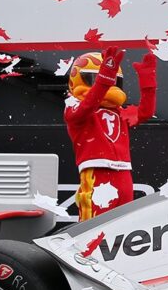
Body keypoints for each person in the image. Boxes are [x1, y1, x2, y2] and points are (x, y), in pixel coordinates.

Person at [65, 46, 156, 221]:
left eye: (115, 81)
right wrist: (104, 77)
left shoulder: (119, 110)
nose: (110, 86)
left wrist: (148, 84)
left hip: (123, 172)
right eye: (93, 78)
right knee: (93, 227)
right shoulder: (73, 106)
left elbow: (145, 113)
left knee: (123, 224)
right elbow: (88, 105)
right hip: (96, 172)